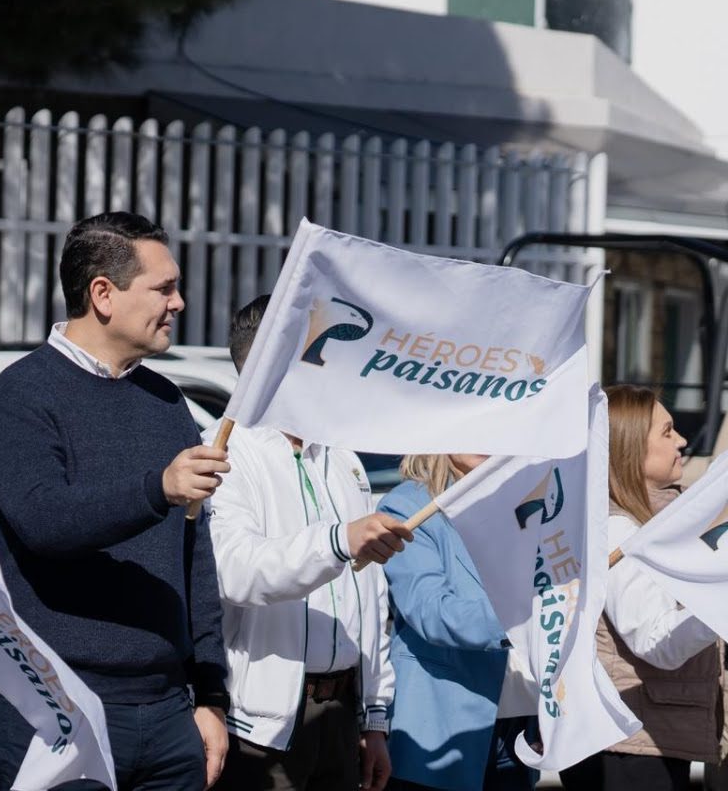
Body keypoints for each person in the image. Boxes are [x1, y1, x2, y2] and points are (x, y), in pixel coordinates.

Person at [0, 211, 232, 790]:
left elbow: (195, 559)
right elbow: (44, 521)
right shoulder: (22, 392)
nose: (180, 303)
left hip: (169, 714)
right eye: (164, 288)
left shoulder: (167, 401)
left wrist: (210, 696)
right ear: (103, 294)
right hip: (54, 708)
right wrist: (155, 488)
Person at [208, 295, 412, 791]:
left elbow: (371, 597)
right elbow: (237, 571)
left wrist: (373, 720)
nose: (329, 364)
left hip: (342, 715)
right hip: (263, 726)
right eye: (317, 350)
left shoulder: (341, 455)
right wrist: (339, 540)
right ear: (268, 366)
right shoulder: (224, 452)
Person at [558, 385, 720, 791]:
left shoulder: (647, 521)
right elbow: (655, 640)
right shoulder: (616, 528)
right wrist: (719, 599)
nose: (681, 440)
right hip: (627, 747)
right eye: (667, 432)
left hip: (650, 737)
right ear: (630, 448)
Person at [379, 454, 538, 791]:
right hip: (441, 722)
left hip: (520, 724)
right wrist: (519, 617)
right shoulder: (408, 505)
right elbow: (430, 611)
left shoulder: (521, 504)